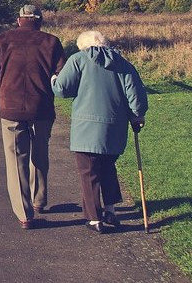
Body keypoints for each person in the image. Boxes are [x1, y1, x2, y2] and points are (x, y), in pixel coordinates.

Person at [51, 30, 147, 233]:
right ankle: (110, 210)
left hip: (86, 129)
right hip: (115, 128)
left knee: (89, 172)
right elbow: (135, 95)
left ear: (83, 46)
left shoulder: (78, 60)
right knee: (108, 167)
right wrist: (137, 116)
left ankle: (94, 218)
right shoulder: (122, 63)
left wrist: (53, 80)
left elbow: (62, 89)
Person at [0, 4, 66, 229]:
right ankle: (39, 200)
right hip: (42, 108)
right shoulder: (52, 42)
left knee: (16, 159)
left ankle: (25, 213)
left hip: (10, 108)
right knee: (40, 153)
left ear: (19, 20)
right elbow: (62, 75)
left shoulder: (4, 39)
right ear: (39, 21)